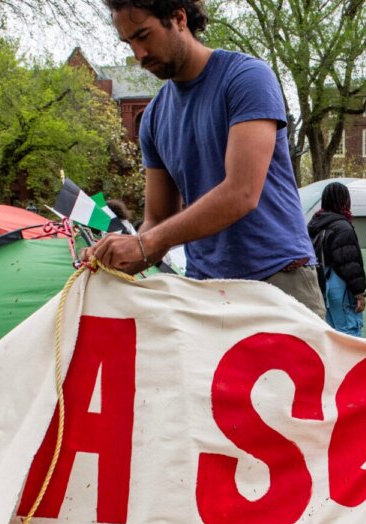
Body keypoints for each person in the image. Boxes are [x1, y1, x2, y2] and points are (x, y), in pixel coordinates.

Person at [86, 0, 325, 318]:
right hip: (205, 292)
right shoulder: (155, 117)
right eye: (129, 42)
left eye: (143, 35)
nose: (139, 55)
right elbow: (157, 219)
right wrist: (118, 255)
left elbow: (241, 194)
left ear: (179, 18)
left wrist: (147, 244)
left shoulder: (247, 78)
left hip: (278, 281)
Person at [308, 182, 366, 336]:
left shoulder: (314, 225)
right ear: (344, 201)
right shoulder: (343, 226)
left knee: (331, 333)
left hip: (321, 285)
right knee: (349, 330)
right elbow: (349, 262)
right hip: (340, 285)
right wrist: (359, 292)